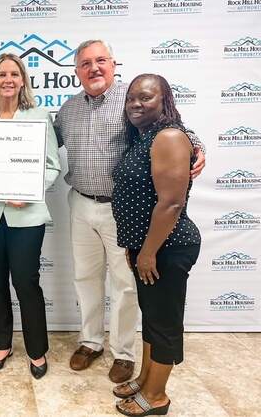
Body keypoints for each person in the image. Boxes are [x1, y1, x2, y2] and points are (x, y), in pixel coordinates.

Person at [53, 40, 205, 384]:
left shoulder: (130, 99)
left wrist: (197, 143)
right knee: (85, 278)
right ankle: (90, 342)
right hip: (79, 203)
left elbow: (171, 126)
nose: (94, 68)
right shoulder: (68, 109)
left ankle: (123, 353)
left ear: (113, 64)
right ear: (76, 71)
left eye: (101, 61)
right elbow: (41, 143)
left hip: (120, 212)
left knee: (124, 285)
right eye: (85, 63)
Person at [0, 53, 61, 379]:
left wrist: (29, 191)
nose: (8, 79)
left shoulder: (38, 116)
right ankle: (3, 343)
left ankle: (37, 350)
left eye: (15, 74)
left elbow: (51, 166)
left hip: (27, 216)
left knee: (26, 281)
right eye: (2, 74)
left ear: (23, 81)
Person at [112, 74, 201, 416]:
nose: (136, 104)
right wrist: (137, 247)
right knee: (151, 318)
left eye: (146, 98)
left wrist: (148, 251)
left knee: (163, 322)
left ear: (164, 101)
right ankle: (146, 379)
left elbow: (171, 204)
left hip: (167, 248)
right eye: (131, 98)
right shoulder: (143, 138)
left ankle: (157, 396)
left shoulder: (169, 137)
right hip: (147, 248)